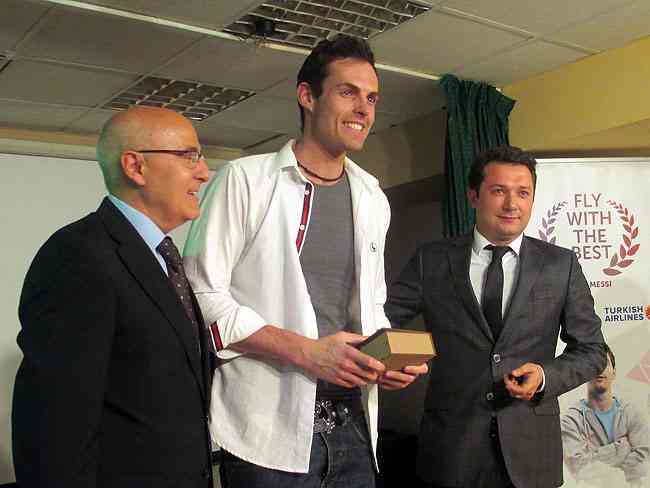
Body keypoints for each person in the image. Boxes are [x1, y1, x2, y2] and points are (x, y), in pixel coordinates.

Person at [183, 35, 427, 488]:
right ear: (307, 96)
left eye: (372, 98)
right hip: (266, 432)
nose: (363, 109)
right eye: (348, 92)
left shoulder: (372, 197)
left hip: (354, 426)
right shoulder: (244, 180)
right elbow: (200, 295)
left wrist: (385, 358)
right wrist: (307, 352)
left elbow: (371, 306)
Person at [12, 106, 214, 488]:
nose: (203, 172)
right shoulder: (79, 255)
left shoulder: (164, 259)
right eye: (189, 156)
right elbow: (53, 425)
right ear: (135, 167)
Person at [385, 145, 607, 488]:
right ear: (473, 196)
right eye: (499, 191)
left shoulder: (561, 265)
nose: (512, 204)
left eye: (523, 193)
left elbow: (592, 351)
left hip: (532, 454)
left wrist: (544, 376)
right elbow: (381, 321)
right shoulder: (432, 260)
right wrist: (391, 362)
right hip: (451, 452)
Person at [561, 344, 650, 487]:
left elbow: (644, 462)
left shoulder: (632, 412)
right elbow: (578, 468)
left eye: (605, 363)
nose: (600, 368)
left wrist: (594, 457)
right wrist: (623, 447)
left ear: (614, 372)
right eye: (594, 364)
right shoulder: (571, 421)